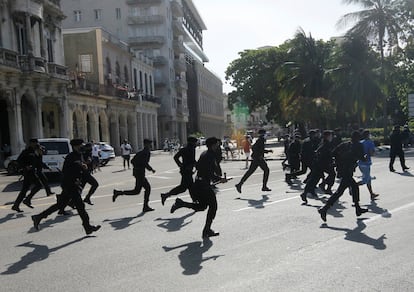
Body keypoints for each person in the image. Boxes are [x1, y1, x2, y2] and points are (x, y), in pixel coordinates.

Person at [31, 139, 101, 235]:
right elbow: (74, 166)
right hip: (70, 185)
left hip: (73, 184)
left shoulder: (78, 155)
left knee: (60, 205)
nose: (83, 147)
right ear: (75, 146)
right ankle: (88, 227)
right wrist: (82, 165)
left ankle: (38, 217)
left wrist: (83, 169)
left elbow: (80, 168)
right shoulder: (70, 157)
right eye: (81, 145)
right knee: (80, 206)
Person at [170, 137, 228, 238]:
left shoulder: (204, 154)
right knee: (213, 206)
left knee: (202, 206)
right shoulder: (210, 156)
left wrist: (216, 178)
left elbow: (199, 167)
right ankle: (207, 230)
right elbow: (209, 172)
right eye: (217, 144)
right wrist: (219, 179)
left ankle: (181, 203)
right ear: (213, 145)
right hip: (204, 185)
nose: (218, 146)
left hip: (199, 182)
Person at [317, 131, 369, 222]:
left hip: (342, 170)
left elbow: (333, 153)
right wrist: (365, 157)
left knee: (343, 190)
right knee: (345, 190)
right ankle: (324, 209)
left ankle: (357, 208)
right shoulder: (358, 145)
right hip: (348, 171)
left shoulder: (345, 144)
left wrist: (338, 162)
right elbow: (362, 158)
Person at [112, 139, 156, 212]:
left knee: (138, 191)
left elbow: (132, 161)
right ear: (146, 144)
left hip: (137, 172)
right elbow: (144, 163)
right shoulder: (146, 152)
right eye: (150, 144)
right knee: (145, 189)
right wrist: (151, 169)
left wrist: (137, 167)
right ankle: (145, 206)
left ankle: (119, 193)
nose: (151, 145)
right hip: (140, 173)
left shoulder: (140, 152)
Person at [300, 130, 335, 203]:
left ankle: (305, 193)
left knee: (314, 179)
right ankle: (324, 186)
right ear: (327, 136)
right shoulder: (325, 144)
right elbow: (322, 153)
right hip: (321, 164)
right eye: (331, 136)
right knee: (331, 174)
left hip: (319, 164)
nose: (332, 137)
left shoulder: (323, 142)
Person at [161, 136, 198, 205]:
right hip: (186, 171)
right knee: (184, 188)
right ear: (192, 143)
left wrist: (181, 165)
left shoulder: (186, 149)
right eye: (195, 143)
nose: (196, 144)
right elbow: (177, 158)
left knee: (191, 187)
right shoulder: (190, 149)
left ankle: (195, 200)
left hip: (187, 170)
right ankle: (166, 195)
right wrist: (182, 165)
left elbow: (177, 158)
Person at [235, 129, 273, 193]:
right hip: (259, 159)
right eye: (265, 134)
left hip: (256, 158)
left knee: (250, 172)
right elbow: (260, 149)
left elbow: (254, 148)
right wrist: (267, 151)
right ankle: (264, 186)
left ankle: (240, 184)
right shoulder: (261, 140)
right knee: (266, 170)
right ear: (263, 134)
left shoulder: (259, 140)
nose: (266, 135)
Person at [11, 138, 44, 212]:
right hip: (28, 172)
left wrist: (40, 155)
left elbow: (38, 162)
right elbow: (19, 161)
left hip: (33, 171)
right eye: (34, 143)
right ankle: (27, 199)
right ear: (31, 143)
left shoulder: (37, 151)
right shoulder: (26, 152)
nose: (36, 144)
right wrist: (25, 166)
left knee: (24, 190)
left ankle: (16, 205)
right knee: (39, 185)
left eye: (37, 143)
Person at [20, 143, 55, 208]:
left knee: (39, 184)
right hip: (30, 173)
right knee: (38, 185)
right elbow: (21, 161)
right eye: (41, 150)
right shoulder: (32, 155)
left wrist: (47, 167)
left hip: (34, 172)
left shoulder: (38, 156)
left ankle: (25, 200)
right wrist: (26, 167)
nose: (42, 152)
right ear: (37, 150)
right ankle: (26, 200)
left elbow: (40, 163)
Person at [358, 129, 379, 200]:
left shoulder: (360, 142)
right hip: (366, 163)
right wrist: (374, 152)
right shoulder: (370, 142)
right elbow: (371, 153)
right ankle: (353, 186)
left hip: (360, 163)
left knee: (368, 179)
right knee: (365, 180)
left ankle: (371, 194)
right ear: (368, 135)